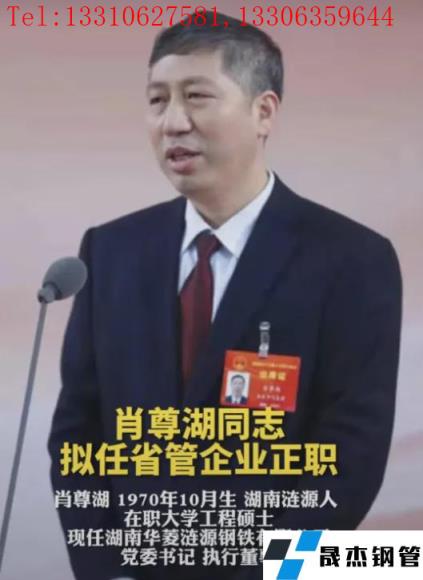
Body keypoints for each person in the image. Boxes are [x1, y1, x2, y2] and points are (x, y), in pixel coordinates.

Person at [48, 10, 402, 580]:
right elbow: (78, 434)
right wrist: (109, 569)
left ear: (264, 112)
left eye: (197, 97)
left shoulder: (350, 259)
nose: (173, 122)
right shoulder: (110, 251)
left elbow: (350, 457)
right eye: (157, 100)